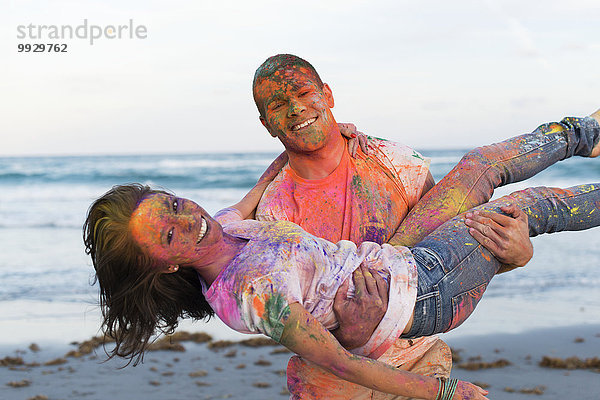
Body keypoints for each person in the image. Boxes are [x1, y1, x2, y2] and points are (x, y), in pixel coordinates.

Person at [250, 53, 600, 398]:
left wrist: (517, 255)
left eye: (302, 93)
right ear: (266, 124)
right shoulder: (274, 214)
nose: (295, 108)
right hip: (334, 387)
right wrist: (352, 334)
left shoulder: (395, 162)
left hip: (422, 362)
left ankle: (587, 133)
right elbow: (293, 323)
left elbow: (448, 261)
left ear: (326, 94)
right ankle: (585, 134)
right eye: (278, 104)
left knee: (503, 190)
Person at [84, 175, 600, 400]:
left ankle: (581, 137)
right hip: (420, 296)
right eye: (168, 236)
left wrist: (284, 158)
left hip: (411, 273)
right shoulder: (253, 295)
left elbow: (247, 201)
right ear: (163, 267)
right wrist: (445, 393)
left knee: (512, 196)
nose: (187, 220)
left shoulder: (230, 230)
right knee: (528, 206)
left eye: (174, 205)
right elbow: (339, 361)